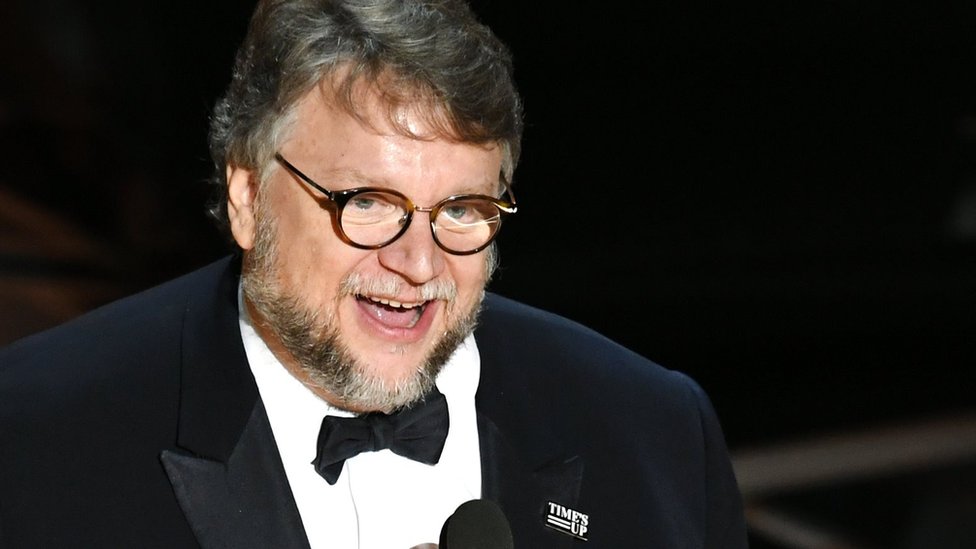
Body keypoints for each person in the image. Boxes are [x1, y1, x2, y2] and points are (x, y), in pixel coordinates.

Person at [0, 0, 748, 547]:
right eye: (368, 203)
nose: (418, 264)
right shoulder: (35, 437)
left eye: (461, 209)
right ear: (247, 198)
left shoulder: (655, 434)